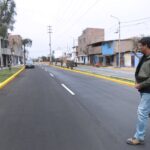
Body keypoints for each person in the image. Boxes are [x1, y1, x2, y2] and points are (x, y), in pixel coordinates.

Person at [127, 37, 150, 145]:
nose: (139, 47)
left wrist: (141, 84)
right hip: (144, 89)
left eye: (141, 45)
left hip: (148, 89)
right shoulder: (144, 57)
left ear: (146, 45)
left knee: (142, 112)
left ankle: (139, 137)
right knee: (147, 112)